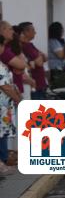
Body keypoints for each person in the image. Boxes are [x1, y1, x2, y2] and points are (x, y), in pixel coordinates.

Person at [0, 35, 20, 175]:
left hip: (4, 106)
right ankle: (3, 161)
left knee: (3, 133)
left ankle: (4, 160)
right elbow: (5, 86)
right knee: (1, 134)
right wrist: (17, 98)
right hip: (2, 107)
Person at [19, 22, 48, 99]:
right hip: (35, 83)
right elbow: (39, 63)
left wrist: (40, 57)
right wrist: (40, 56)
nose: (35, 32)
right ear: (25, 32)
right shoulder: (25, 46)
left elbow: (45, 57)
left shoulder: (30, 45)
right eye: (33, 30)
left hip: (40, 83)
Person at [47, 22, 65, 89]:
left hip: (60, 68)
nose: (63, 31)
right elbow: (61, 55)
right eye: (62, 29)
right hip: (55, 69)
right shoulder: (53, 41)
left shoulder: (59, 41)